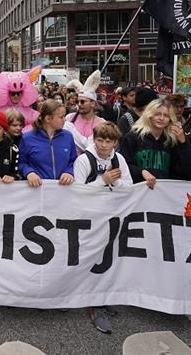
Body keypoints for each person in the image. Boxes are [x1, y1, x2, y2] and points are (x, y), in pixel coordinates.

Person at [71, 121, 131, 334]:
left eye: (108, 141)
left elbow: (129, 187)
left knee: (107, 257)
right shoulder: (83, 160)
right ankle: (91, 301)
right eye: (100, 140)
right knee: (90, 257)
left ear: (115, 142)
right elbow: (77, 192)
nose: (104, 145)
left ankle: (100, 296)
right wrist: (102, 180)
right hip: (88, 217)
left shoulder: (118, 159)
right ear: (93, 139)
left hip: (111, 215)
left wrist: (114, 183)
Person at [118, 100, 191, 189]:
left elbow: (189, 170)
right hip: (138, 192)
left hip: (163, 192)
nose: (161, 118)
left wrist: (183, 143)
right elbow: (123, 164)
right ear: (149, 115)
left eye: (166, 115)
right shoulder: (133, 137)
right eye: (157, 114)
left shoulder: (171, 140)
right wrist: (141, 172)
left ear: (170, 119)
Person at [19, 99, 77, 188]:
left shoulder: (68, 136)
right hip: (37, 190)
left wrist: (69, 172)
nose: (65, 119)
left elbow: (73, 160)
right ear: (48, 118)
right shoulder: (27, 138)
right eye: (61, 117)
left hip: (63, 189)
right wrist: (29, 172)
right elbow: (21, 162)